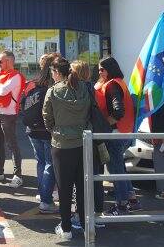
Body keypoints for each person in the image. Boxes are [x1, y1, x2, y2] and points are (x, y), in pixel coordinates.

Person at [43, 57, 91, 240]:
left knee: (64, 188)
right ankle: (87, 227)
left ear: (56, 73)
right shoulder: (83, 88)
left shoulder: (53, 91)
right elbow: (87, 113)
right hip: (82, 141)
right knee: (82, 186)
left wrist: (56, 130)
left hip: (62, 144)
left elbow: (47, 118)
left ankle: (66, 229)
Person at [95, 56, 141, 214]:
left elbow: (118, 111)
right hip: (124, 131)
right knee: (119, 166)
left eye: (102, 69)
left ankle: (121, 205)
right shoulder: (118, 82)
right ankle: (131, 199)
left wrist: (105, 123)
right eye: (99, 69)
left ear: (110, 69)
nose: (99, 72)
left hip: (116, 132)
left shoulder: (112, 85)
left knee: (115, 169)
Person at [20, 53, 60, 214]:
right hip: (48, 130)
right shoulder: (54, 86)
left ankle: (43, 194)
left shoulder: (34, 84)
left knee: (41, 162)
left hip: (32, 129)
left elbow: (24, 104)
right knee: (50, 164)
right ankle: (46, 200)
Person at [71, 61, 105, 219]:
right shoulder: (93, 87)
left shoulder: (79, 89)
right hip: (95, 135)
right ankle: (98, 211)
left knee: (82, 176)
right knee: (95, 174)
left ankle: (82, 214)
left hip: (85, 135)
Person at [0, 50, 25, 188]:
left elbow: (3, 90)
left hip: (8, 114)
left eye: (0, 61)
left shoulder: (16, 76)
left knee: (12, 144)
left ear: (9, 61)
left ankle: (18, 175)